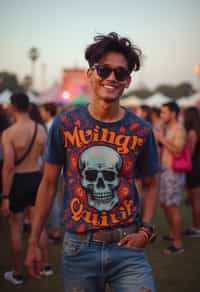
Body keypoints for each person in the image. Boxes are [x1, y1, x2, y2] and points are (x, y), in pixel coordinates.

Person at [25, 32, 160, 292]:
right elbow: (49, 184)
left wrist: (146, 231)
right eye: (103, 69)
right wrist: (33, 241)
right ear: (90, 74)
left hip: (128, 248)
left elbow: (153, 183)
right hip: (79, 248)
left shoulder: (141, 130)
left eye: (120, 73)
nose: (111, 77)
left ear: (128, 81)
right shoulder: (64, 125)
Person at [0, 93, 53, 285]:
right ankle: (45, 265)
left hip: (18, 182)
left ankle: (17, 272)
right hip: (36, 180)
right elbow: (46, 160)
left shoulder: (9, 133)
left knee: (16, 226)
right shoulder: (41, 129)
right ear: (29, 107)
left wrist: (5, 196)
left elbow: (8, 167)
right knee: (39, 225)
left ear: (13, 108)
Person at [155, 102, 185, 254]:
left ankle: (178, 244)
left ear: (173, 113)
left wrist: (161, 139)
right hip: (166, 170)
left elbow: (178, 151)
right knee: (165, 204)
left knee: (172, 206)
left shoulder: (179, 129)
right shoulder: (168, 128)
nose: (162, 115)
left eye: (164, 112)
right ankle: (173, 234)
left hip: (174, 172)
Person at [40, 102, 62, 243]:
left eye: (43, 110)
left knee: (52, 198)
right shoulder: (54, 124)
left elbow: (49, 152)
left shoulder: (50, 127)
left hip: (52, 167)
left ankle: (55, 231)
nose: (41, 113)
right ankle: (56, 228)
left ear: (48, 112)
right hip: (57, 167)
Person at [183, 107, 200, 237]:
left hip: (194, 168)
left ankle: (197, 227)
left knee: (195, 200)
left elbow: (191, 153)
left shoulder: (192, 132)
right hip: (196, 166)